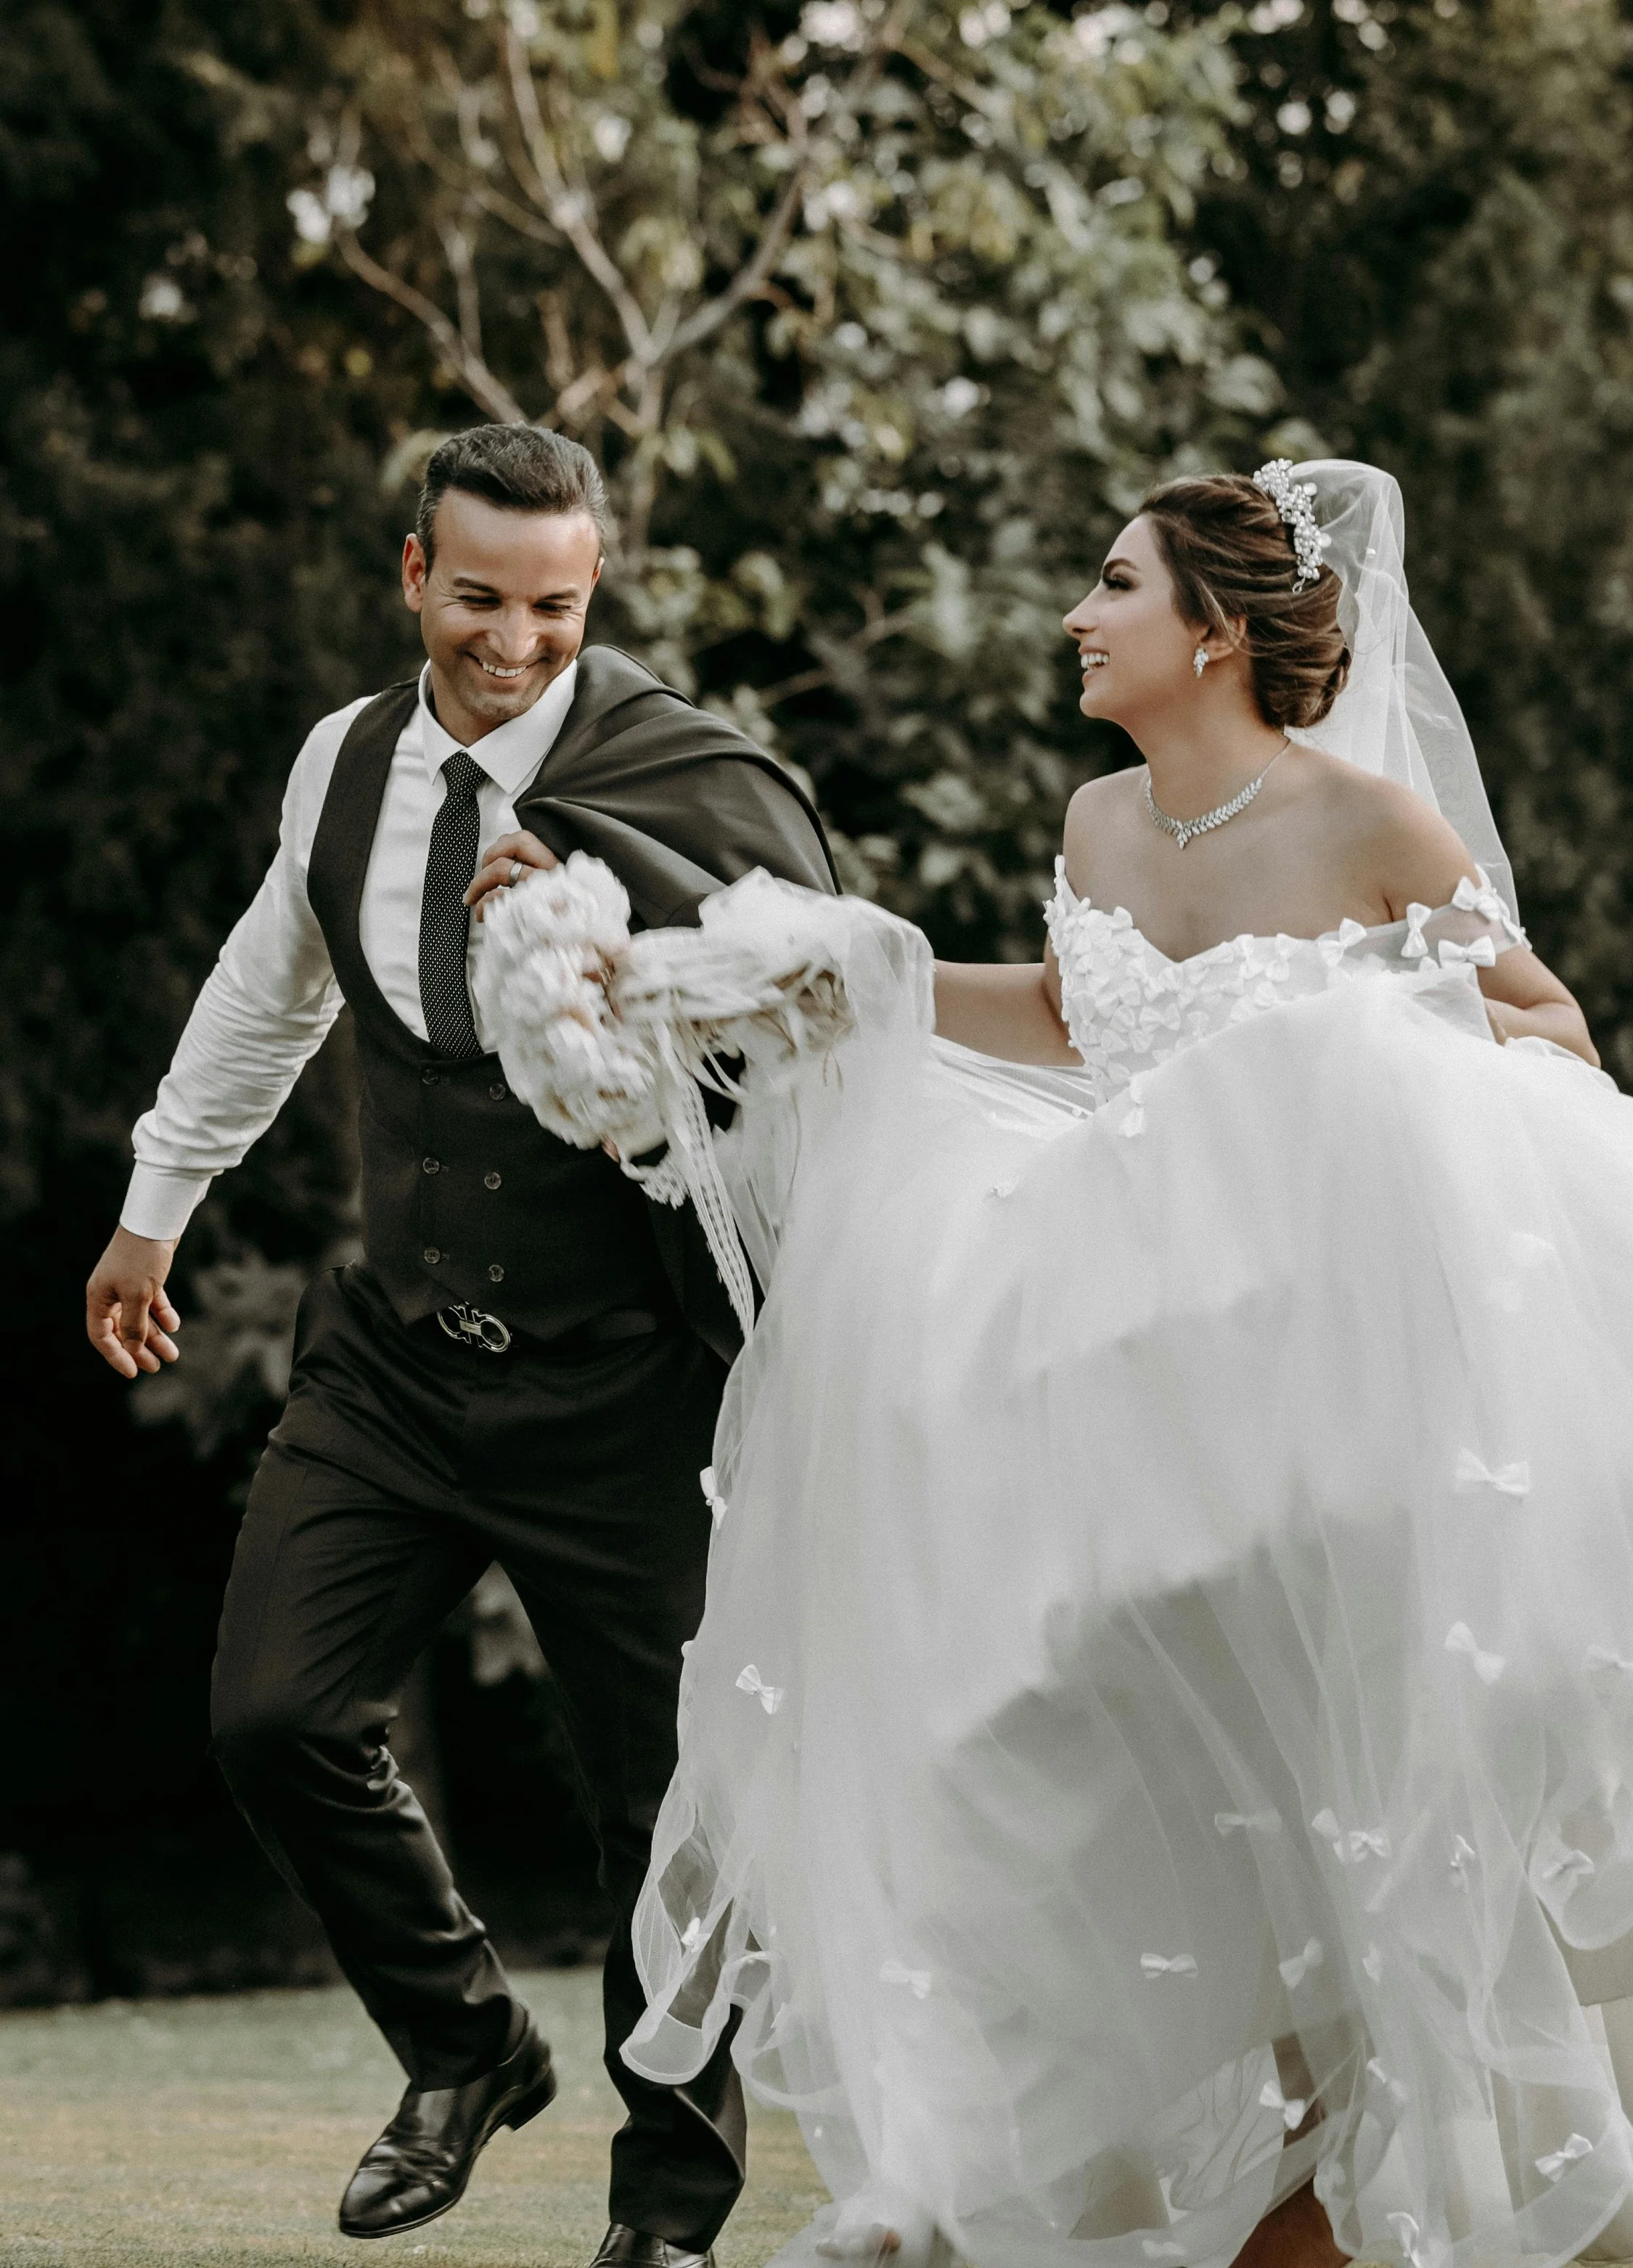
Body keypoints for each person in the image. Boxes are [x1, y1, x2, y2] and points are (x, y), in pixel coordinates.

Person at [479, 461, 1633, 2268]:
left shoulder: (1369, 827)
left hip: (1325, 1377)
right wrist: (857, 985)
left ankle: (1353, 2175)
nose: (1074, 616)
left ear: (1212, 627)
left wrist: (1367, 1078)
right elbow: (1065, 1009)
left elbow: (1543, 1022)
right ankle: (1078, 2162)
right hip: (1135, 1360)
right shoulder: (1101, 820)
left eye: (1112, 584)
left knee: (1349, 1777)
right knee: (1079, 1724)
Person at [83, 422, 837, 2263]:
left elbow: (815, 1015)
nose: (516, 641)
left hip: (630, 1380)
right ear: (415, 573)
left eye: (557, 608)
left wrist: (628, 971)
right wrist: (154, 1202)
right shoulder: (341, 764)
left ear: (597, 592)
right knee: (268, 1711)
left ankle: (666, 2214)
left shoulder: (690, 769)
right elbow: (270, 988)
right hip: (400, 1355)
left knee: (662, 1810)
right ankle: (466, 2040)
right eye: (482, 598)